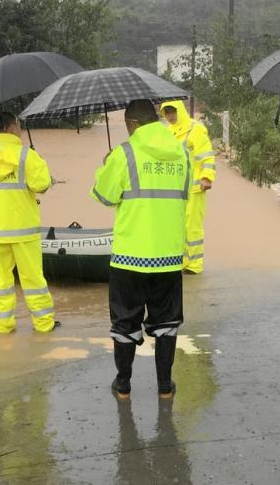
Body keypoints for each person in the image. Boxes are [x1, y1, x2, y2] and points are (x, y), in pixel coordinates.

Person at [92, 99, 190, 400]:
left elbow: (103, 196)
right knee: (167, 323)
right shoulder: (183, 153)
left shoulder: (124, 153)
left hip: (129, 257)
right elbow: (184, 194)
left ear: (132, 123)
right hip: (169, 257)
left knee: (124, 322)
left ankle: (123, 386)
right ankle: (164, 387)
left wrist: (107, 164)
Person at [0, 112, 58, 334]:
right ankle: (44, 324)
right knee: (33, 279)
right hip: (24, 231)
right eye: (18, 124)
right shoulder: (27, 156)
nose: (19, 128)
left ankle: (5, 325)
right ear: (11, 126)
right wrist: (40, 163)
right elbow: (42, 185)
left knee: (0, 283)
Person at [160, 100, 215, 274]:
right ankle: (183, 261)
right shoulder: (168, 132)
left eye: (172, 112)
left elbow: (207, 155)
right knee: (178, 226)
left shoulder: (195, 129)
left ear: (180, 110)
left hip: (195, 188)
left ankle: (195, 265)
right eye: (167, 113)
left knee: (192, 227)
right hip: (176, 189)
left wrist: (207, 177)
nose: (170, 116)